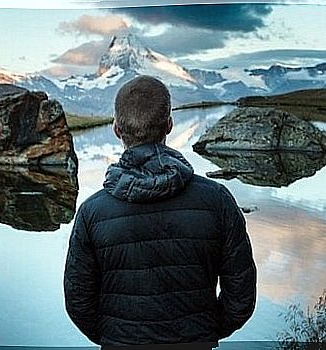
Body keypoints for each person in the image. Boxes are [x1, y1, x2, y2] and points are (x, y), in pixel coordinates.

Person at [63, 75, 257, 349]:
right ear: (169, 124)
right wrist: (203, 330)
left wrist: (116, 336)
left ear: (117, 129)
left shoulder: (91, 213)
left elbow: (78, 302)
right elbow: (241, 296)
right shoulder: (218, 200)